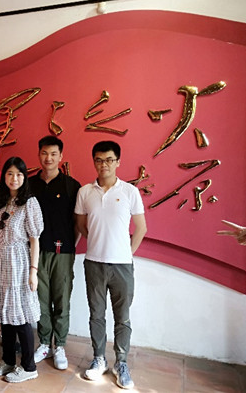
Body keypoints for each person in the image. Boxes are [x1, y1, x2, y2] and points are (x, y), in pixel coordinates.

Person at [75, 141, 147, 390]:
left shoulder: (130, 191)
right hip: (94, 263)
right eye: (98, 159)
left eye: (109, 159)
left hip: (122, 267)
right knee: (96, 314)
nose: (103, 164)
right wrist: (98, 243)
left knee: (122, 318)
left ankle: (121, 363)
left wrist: (127, 252)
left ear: (118, 162)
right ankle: (99, 359)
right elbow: (81, 225)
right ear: (93, 162)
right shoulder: (85, 192)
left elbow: (141, 228)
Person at [0, 157, 44, 383]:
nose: (14, 178)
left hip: (19, 262)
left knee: (20, 315)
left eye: (19, 174)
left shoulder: (30, 203)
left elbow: (35, 239)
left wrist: (33, 271)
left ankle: (29, 366)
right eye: (9, 174)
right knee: (4, 314)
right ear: (4, 176)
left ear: (24, 177)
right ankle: (7, 360)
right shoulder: (0, 201)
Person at [28, 136, 81, 370]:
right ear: (38, 154)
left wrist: (69, 247)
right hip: (36, 252)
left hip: (63, 252)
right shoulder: (30, 184)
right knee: (40, 300)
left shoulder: (72, 186)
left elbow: (77, 222)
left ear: (61, 156)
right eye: (44, 153)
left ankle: (59, 345)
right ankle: (44, 343)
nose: (48, 158)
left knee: (61, 300)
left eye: (53, 154)